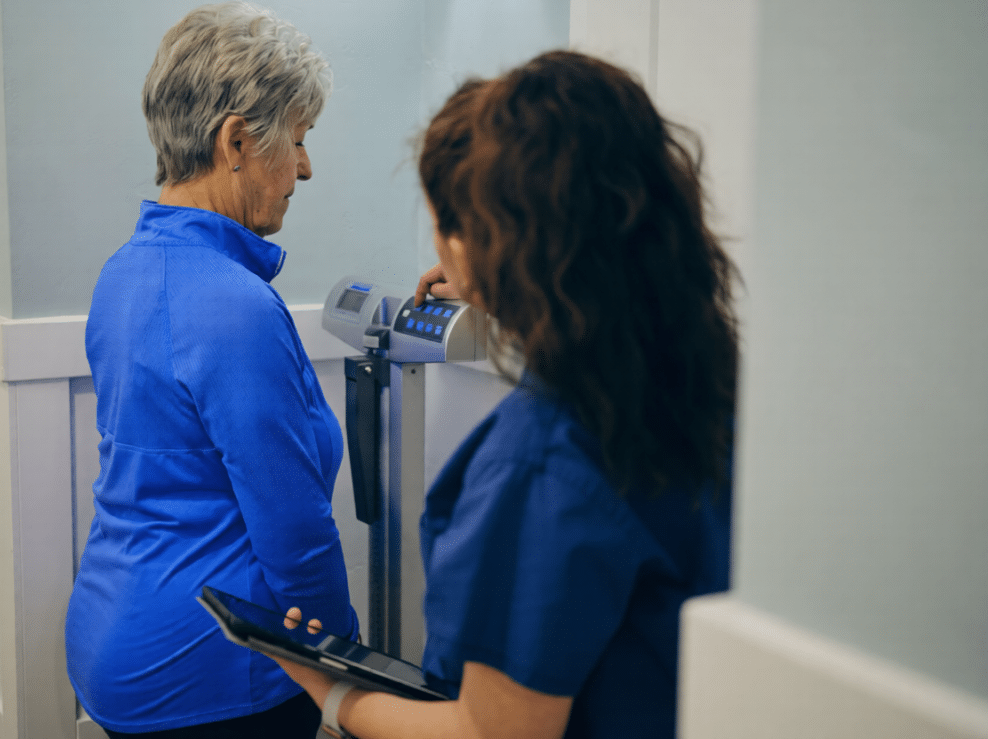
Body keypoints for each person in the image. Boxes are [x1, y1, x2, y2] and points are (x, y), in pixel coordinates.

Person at [270, 50, 738, 738]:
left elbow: (496, 732)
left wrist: (335, 697)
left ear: (477, 244)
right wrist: (497, 286)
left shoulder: (544, 463)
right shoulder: (707, 383)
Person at [65, 2, 359, 737]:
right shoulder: (235, 306)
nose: (305, 167)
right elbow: (294, 529)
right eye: (297, 138)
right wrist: (347, 669)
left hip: (113, 637)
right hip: (216, 674)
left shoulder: (122, 274)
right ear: (235, 141)